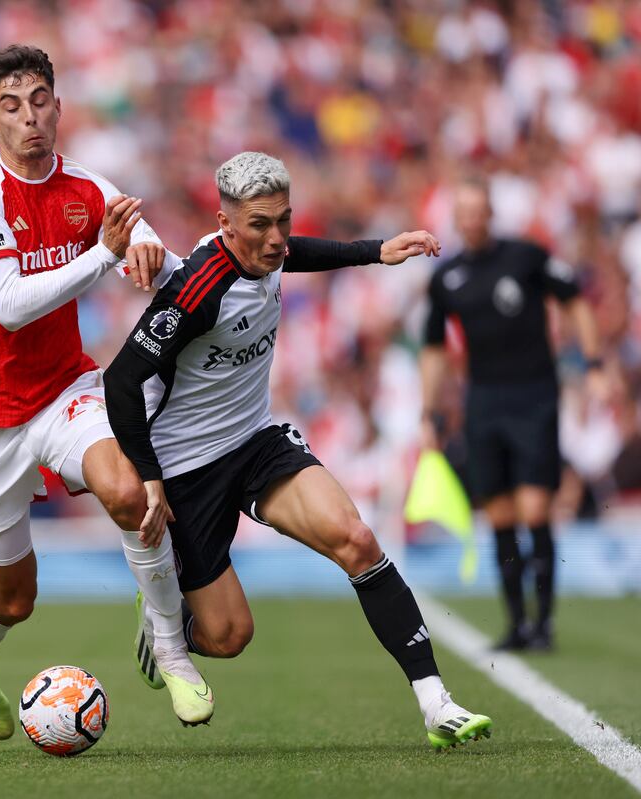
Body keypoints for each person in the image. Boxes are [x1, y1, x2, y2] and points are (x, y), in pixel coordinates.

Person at [104, 151, 492, 750]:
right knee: (230, 637)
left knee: (357, 539)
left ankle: (436, 702)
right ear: (225, 222)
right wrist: (150, 479)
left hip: (256, 441)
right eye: (260, 224)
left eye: (284, 220)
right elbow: (121, 381)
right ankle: (166, 619)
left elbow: (295, 254)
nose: (277, 237)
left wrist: (374, 250)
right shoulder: (194, 291)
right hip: (186, 469)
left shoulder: (272, 250)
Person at [0, 44, 211, 738]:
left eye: (39, 101)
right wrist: (107, 255)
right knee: (14, 599)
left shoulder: (87, 186)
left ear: (58, 106)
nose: (29, 118)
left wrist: (156, 255)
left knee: (129, 491)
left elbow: (141, 242)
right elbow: (11, 304)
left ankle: (173, 651)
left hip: (63, 388)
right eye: (10, 106)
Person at [419, 178, 605, 651]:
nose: (472, 220)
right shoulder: (447, 277)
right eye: (463, 212)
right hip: (484, 401)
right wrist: (429, 410)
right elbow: (435, 349)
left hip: (534, 394)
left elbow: (575, 300)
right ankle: (517, 623)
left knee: (535, 508)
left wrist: (595, 362)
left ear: (490, 214)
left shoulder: (526, 256)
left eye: (479, 210)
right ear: (456, 219)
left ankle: (544, 624)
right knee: (500, 514)